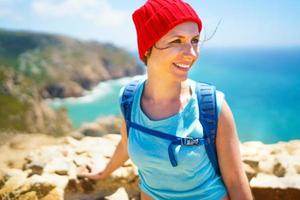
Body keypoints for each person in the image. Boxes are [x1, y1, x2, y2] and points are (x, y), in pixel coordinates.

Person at [80, 0, 253, 199]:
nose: (192, 53)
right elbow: (126, 144)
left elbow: (236, 182)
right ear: (147, 49)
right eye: (176, 41)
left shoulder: (212, 106)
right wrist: (105, 171)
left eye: (195, 40)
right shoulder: (129, 99)